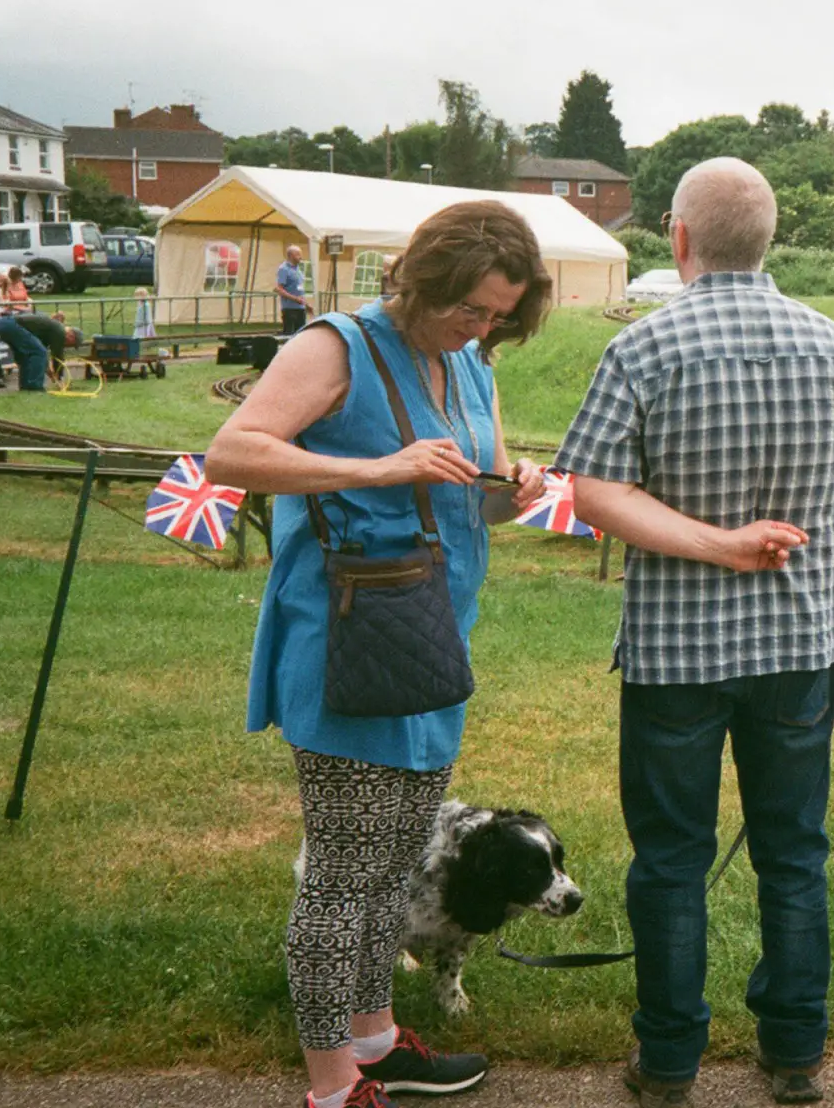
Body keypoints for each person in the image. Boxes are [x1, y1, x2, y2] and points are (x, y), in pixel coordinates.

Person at [557, 158, 834, 1108]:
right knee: (795, 851)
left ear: (678, 238)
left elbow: (593, 494)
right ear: (770, 237)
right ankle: (794, 1053)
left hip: (674, 655)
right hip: (800, 650)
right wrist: (821, 599)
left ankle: (668, 1061)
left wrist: (711, 546)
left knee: (670, 857)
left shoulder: (645, 349)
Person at [205, 200, 556, 1108]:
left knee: (394, 866)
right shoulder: (336, 347)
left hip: (429, 646)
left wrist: (515, 491)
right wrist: (378, 468)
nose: (481, 329)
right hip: (350, 648)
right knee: (343, 876)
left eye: (497, 316)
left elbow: (467, 501)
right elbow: (232, 453)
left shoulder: (469, 362)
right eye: (470, 308)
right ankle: (333, 1085)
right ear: (426, 278)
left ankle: (373, 1037)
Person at [278, 244, 315, 335]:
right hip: (290, 309)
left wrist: (306, 304)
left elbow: (299, 289)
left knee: (301, 334)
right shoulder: (283, 269)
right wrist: (295, 299)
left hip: (300, 308)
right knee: (289, 335)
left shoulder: (298, 269)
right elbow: (280, 289)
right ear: (291, 255)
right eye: (298, 254)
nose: (300, 257)